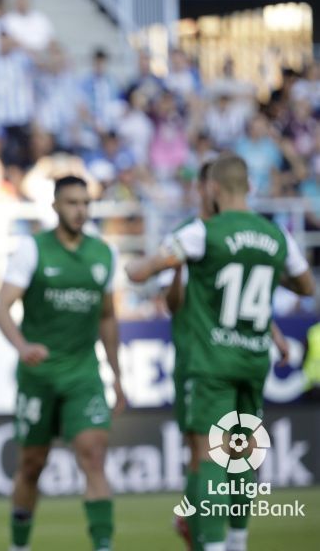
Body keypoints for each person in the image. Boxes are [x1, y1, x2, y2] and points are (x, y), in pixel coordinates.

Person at [127, 154, 314, 551]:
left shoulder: (200, 233)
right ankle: (236, 540)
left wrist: (132, 266)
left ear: (212, 187)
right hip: (252, 360)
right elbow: (305, 286)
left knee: (207, 455)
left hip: (208, 359)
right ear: (250, 186)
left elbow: (142, 274)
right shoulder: (276, 235)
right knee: (242, 455)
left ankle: (208, 541)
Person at [157, 162, 291, 550]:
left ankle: (205, 528)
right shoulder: (186, 235)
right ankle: (202, 533)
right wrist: (179, 269)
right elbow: (172, 302)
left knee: (240, 451)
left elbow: (245, 300)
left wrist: (274, 333)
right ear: (205, 190)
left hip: (235, 353)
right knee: (205, 453)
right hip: (196, 358)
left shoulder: (239, 237)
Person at [0, 175, 122, 551]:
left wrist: (117, 375)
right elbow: (1, 308)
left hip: (83, 374)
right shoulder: (32, 250)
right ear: (55, 207)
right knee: (32, 464)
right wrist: (22, 345)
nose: (80, 210)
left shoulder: (104, 254)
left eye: (85, 203)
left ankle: (103, 545)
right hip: (39, 375)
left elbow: (109, 317)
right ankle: (19, 545)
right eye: (72, 203)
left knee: (94, 456)